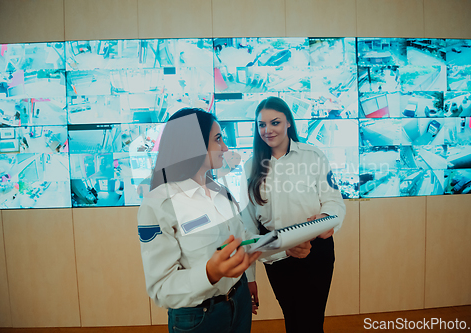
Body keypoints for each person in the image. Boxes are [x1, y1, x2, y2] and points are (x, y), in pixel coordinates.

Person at [138, 108, 261, 333]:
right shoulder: (158, 205)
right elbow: (161, 288)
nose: (225, 147)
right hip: (200, 318)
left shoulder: (220, 191)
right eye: (218, 139)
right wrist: (210, 273)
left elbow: (243, 240)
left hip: (239, 300)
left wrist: (284, 244)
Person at [240, 97, 346, 333]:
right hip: (276, 253)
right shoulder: (250, 167)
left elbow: (333, 201)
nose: (268, 130)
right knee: (293, 319)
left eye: (275, 122)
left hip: (316, 249)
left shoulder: (313, 156)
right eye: (261, 125)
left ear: (288, 122)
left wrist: (327, 220)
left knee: (312, 321)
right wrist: (250, 277)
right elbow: (247, 225)